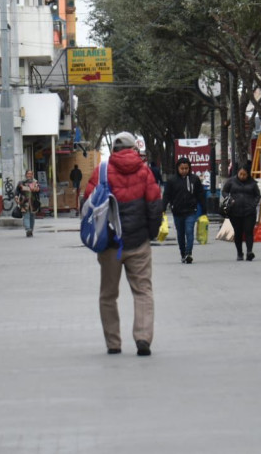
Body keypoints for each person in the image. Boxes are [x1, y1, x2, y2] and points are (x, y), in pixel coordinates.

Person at [83, 132, 162, 356]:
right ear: (134, 149)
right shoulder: (145, 171)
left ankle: (113, 343)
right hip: (138, 244)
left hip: (110, 246)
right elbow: (155, 205)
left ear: (115, 149)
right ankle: (143, 337)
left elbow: (87, 202)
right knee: (143, 291)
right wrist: (150, 234)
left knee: (108, 295)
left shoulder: (101, 171)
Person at [162, 156, 206, 264]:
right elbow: (166, 195)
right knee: (180, 234)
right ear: (177, 168)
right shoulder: (172, 181)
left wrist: (204, 208)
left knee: (189, 231)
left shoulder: (194, 179)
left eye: (186, 168)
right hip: (177, 211)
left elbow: (200, 194)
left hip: (191, 211)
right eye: (182, 168)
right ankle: (183, 253)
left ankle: (188, 253)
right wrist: (162, 207)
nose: (184, 170)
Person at [221, 164, 261, 261]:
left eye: (244, 174)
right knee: (238, 233)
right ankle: (239, 253)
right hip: (235, 212)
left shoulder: (252, 183)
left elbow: (257, 195)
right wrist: (230, 200)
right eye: (240, 174)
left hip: (249, 212)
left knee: (249, 232)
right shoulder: (231, 181)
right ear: (237, 173)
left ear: (248, 174)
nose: (242, 176)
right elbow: (224, 191)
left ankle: (249, 252)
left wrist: (253, 204)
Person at [15, 170, 41, 237]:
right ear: (26, 174)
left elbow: (39, 191)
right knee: (26, 216)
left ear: (32, 175)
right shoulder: (21, 182)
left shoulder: (35, 182)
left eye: (31, 174)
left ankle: (31, 230)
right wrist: (16, 197)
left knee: (32, 216)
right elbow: (17, 191)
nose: (29, 175)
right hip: (24, 202)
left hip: (33, 202)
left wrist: (36, 189)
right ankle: (28, 229)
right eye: (28, 174)